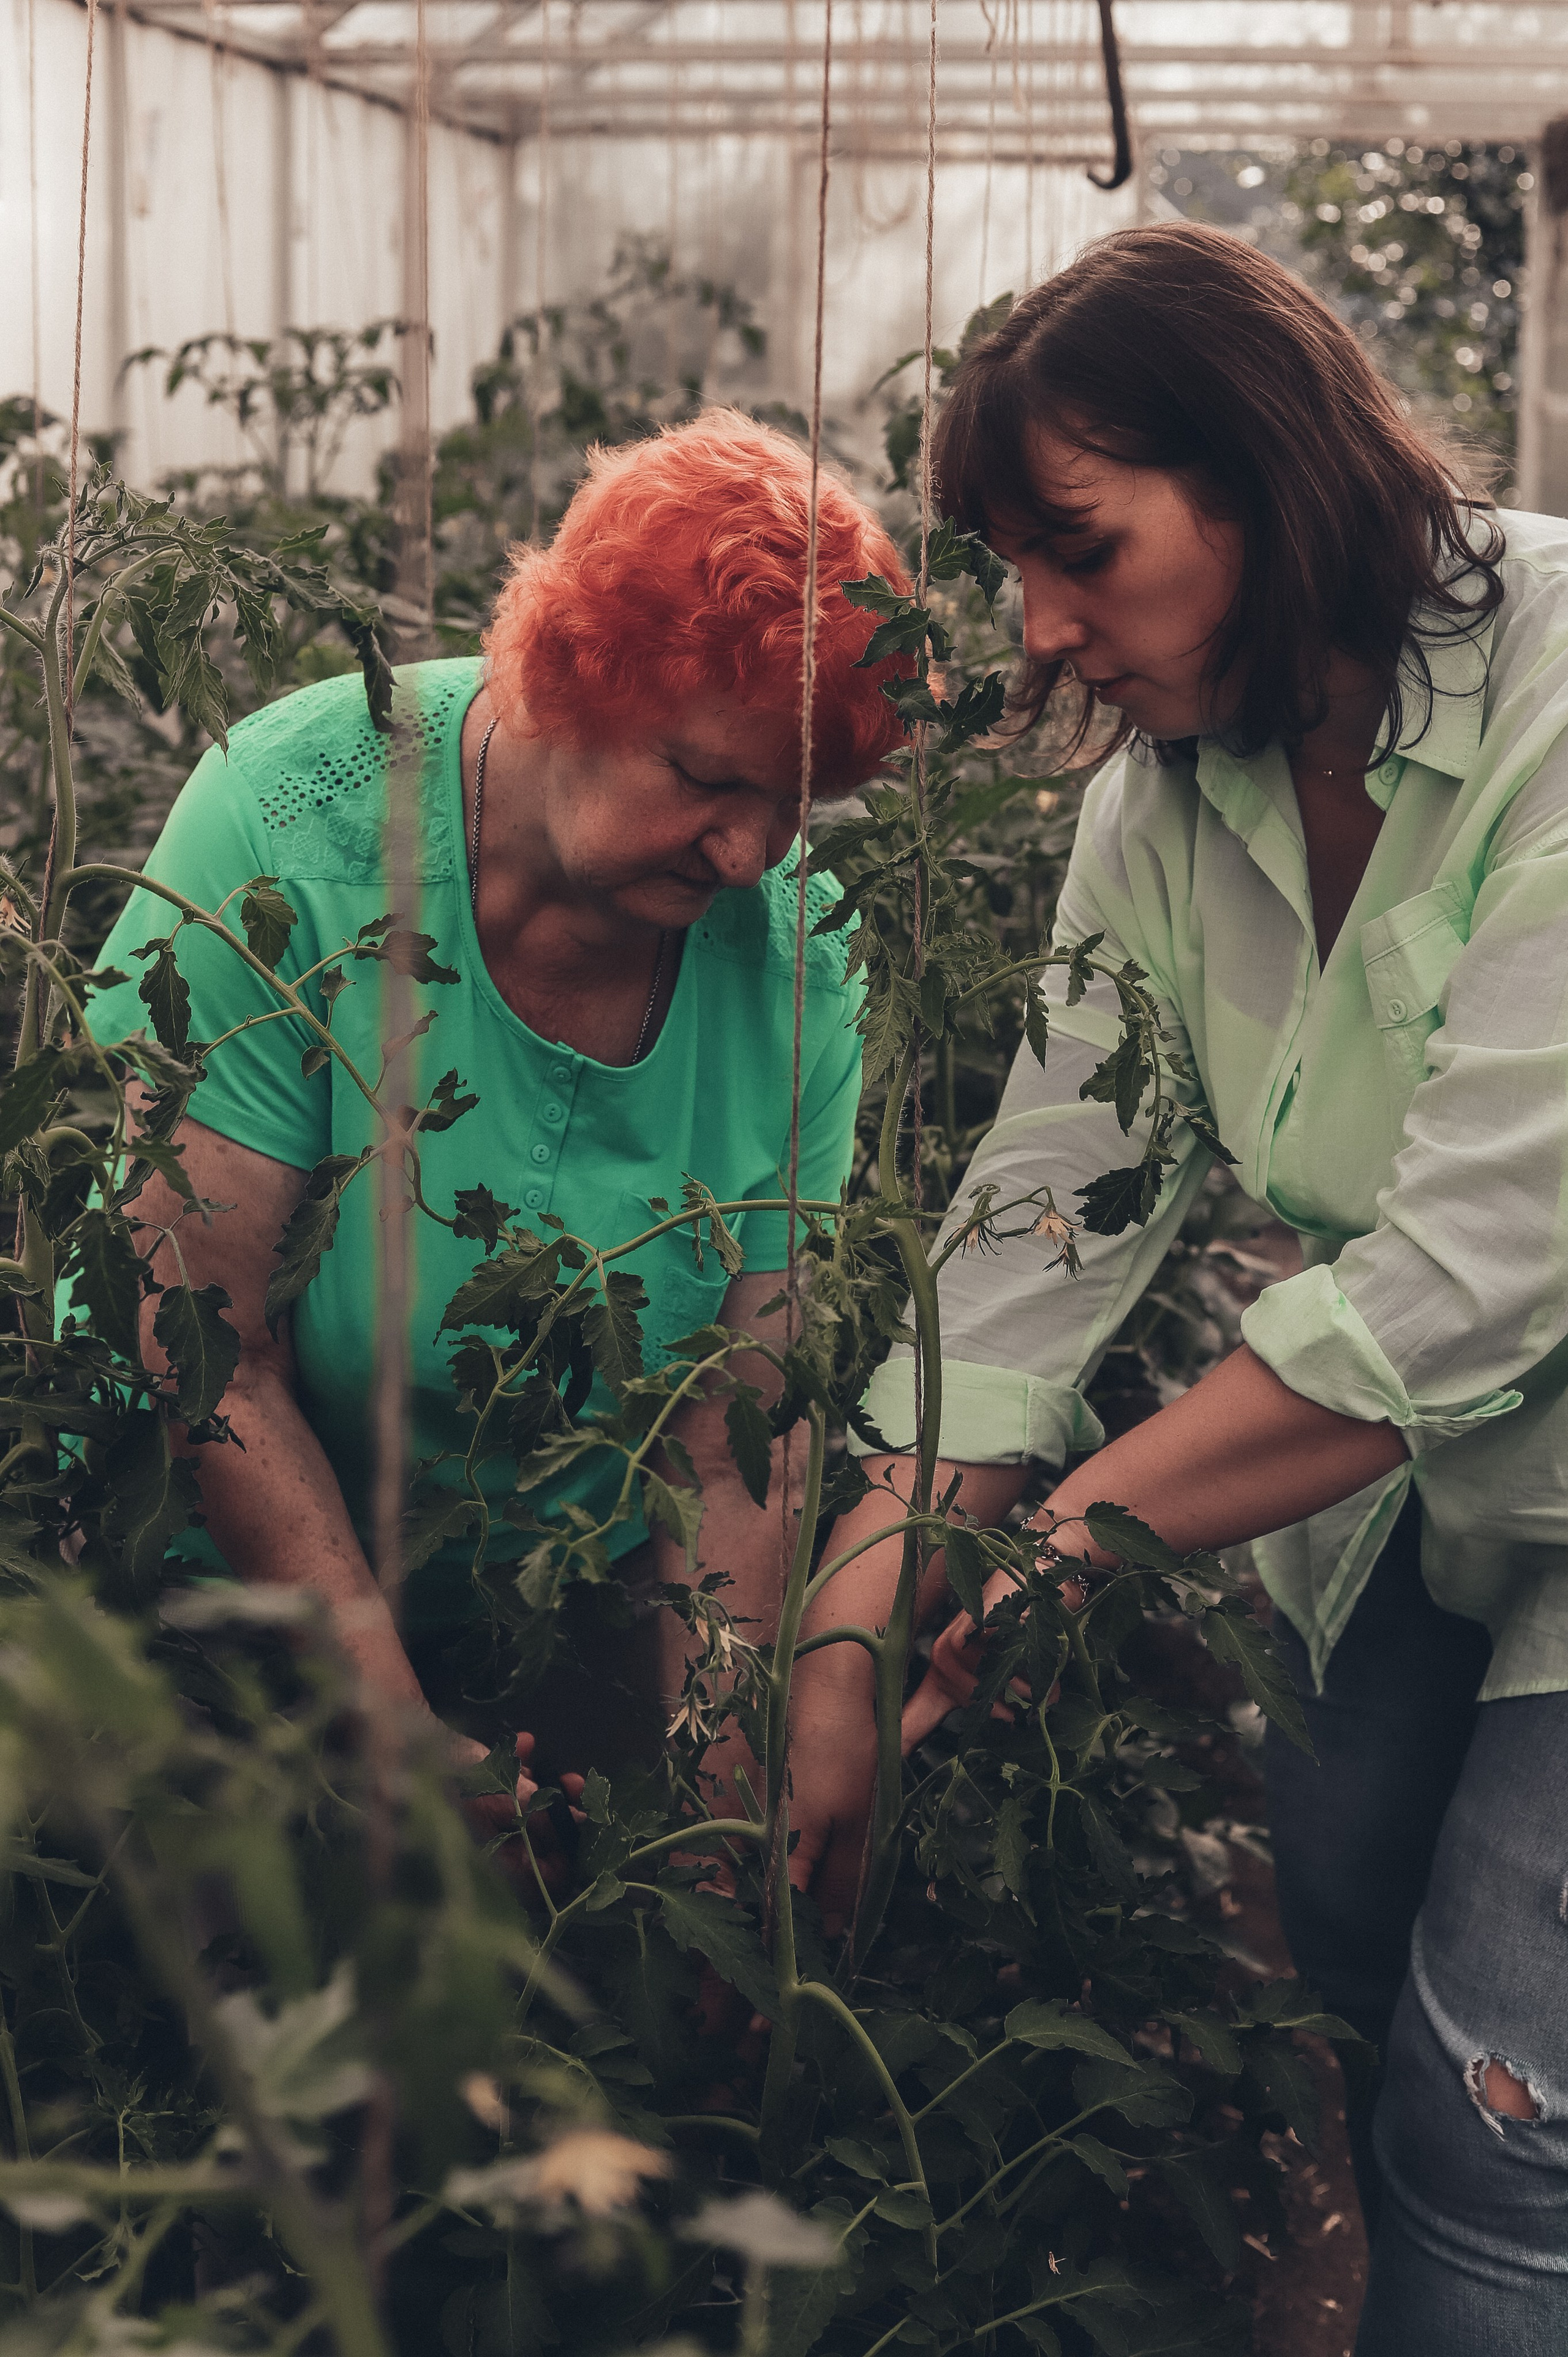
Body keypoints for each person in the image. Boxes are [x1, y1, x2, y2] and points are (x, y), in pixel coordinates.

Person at [789, 222, 1568, 2354]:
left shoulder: (1562, 695)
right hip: (1392, 1498)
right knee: (1344, 1933)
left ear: (1273, 479)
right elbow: (1049, 1209)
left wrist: (1051, 1546)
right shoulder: (1164, 801)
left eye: (1082, 549)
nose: (1042, 624)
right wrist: (859, 1611)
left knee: (1505, 2116)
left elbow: (1483, 1269)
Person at [85, 410, 908, 1811]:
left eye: (795, 804)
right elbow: (202, 1354)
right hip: (212, 1587)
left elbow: (732, 1438)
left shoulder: (796, 958)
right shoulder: (291, 833)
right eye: (707, 778)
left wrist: (722, 1792)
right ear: (562, 674)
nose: (748, 852)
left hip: (553, 1591)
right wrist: (392, 1741)